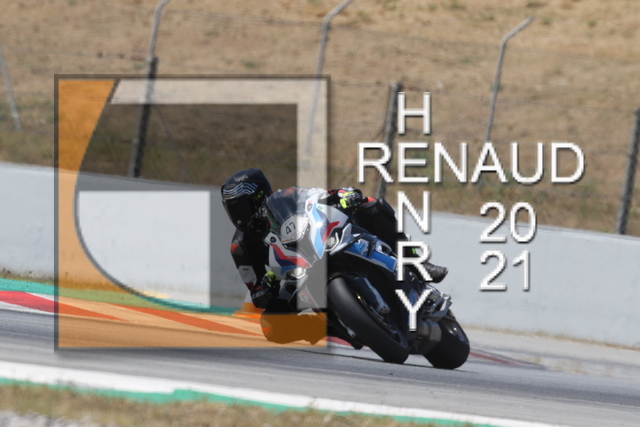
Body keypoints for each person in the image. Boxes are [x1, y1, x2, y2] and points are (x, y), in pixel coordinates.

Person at [221, 168, 448, 344]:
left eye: (241, 207)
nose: (238, 217)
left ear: (260, 197)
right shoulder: (240, 247)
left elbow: (319, 196)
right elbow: (257, 293)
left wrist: (343, 195)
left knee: (373, 206)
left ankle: (416, 263)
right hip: (296, 278)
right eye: (231, 210)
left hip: (324, 241)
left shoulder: (286, 197)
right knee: (271, 325)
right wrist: (266, 287)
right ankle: (336, 326)